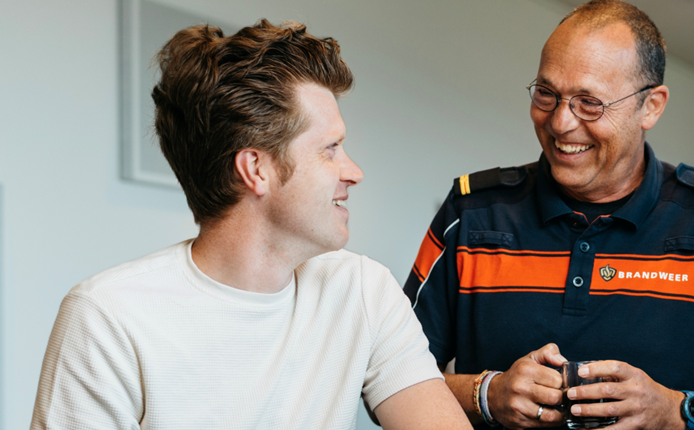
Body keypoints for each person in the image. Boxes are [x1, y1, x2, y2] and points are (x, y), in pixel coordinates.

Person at [30, 20, 469, 430]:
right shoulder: (107, 317)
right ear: (255, 169)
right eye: (330, 149)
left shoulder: (363, 291)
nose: (353, 171)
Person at [403, 1, 694, 429]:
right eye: (547, 94)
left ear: (651, 107)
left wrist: (673, 411)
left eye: (590, 103)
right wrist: (487, 393)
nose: (561, 122)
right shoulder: (471, 212)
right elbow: (389, 372)